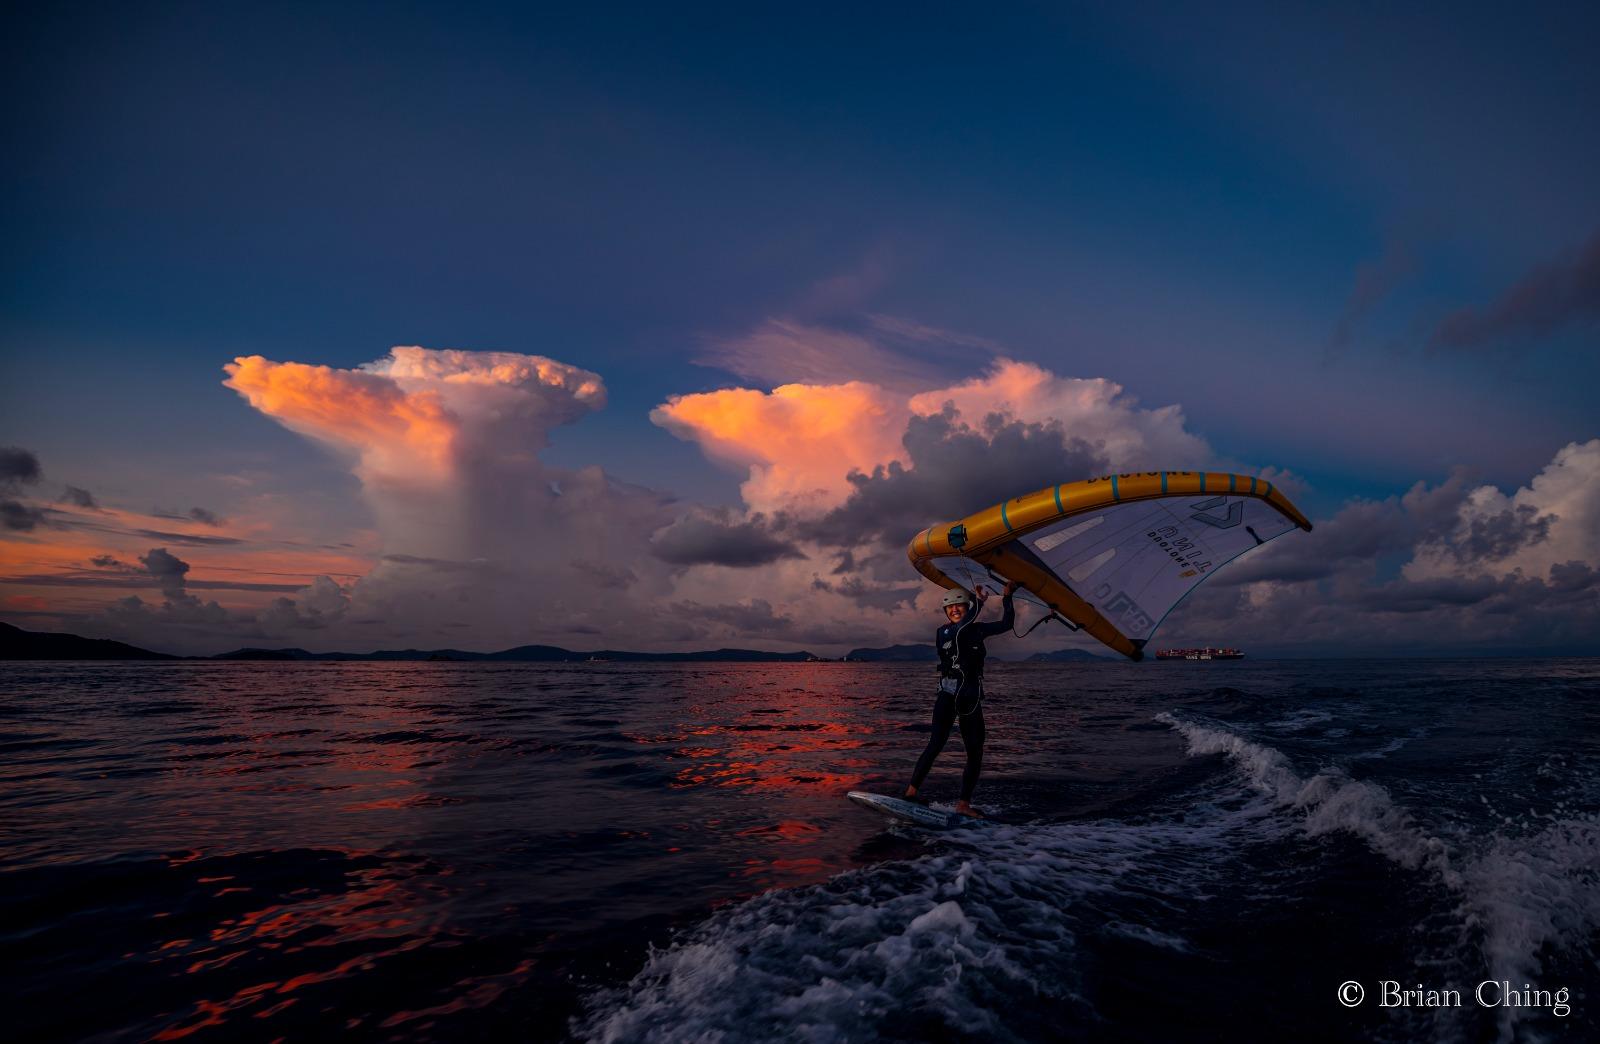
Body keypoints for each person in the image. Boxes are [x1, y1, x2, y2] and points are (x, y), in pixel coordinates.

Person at [905, 580, 1017, 817]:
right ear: (945, 611)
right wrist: (979, 602)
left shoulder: (978, 629)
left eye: (959, 606)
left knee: (975, 751)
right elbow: (961, 629)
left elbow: (1007, 624)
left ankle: (963, 804)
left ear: (966, 607)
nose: (954, 609)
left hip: (971, 698)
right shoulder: (944, 632)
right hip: (947, 695)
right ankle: (911, 793)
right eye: (950, 607)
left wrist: (1007, 597)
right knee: (936, 743)